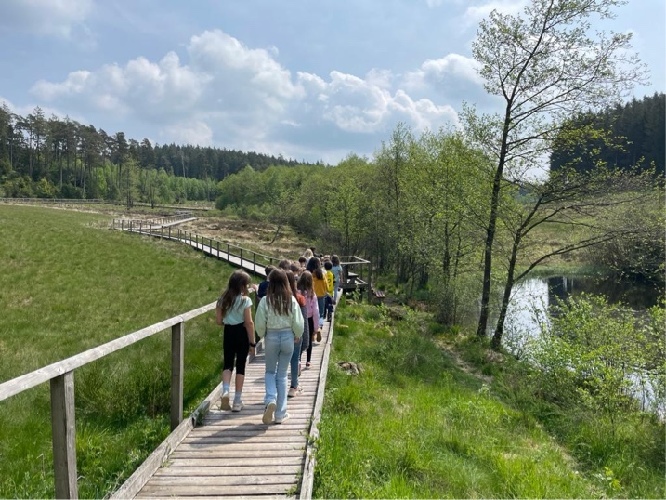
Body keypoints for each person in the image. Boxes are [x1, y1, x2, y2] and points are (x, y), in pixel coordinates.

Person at [255, 269, 304, 425]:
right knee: (282, 375)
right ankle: (280, 414)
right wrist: (297, 334)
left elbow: (260, 323)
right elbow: (298, 321)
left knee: (270, 371)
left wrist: (262, 334)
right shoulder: (291, 300)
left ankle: (270, 399)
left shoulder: (265, 301)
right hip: (288, 337)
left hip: (272, 338)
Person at [215, 270, 256, 412]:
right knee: (240, 365)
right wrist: (252, 343)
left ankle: (225, 391)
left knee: (227, 363)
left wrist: (228, 320)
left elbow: (219, 321)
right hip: (242, 333)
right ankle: (237, 400)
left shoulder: (222, 300)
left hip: (228, 332)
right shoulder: (245, 300)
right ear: (242, 285)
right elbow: (249, 323)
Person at [286, 270, 308, 398]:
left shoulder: (275, 299)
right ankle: (294, 386)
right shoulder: (299, 298)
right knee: (295, 360)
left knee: (280, 362)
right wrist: (304, 338)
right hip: (296, 334)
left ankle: (278, 387)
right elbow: (303, 320)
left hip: (279, 334)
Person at [297, 271, 319, 369]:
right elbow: (316, 312)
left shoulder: (297, 292)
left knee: (300, 339)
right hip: (309, 319)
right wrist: (316, 327)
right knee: (309, 339)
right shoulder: (312, 295)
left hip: (299, 317)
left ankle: (299, 359)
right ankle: (308, 360)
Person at [312, 264, 328, 342]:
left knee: (314, 313)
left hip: (313, 296)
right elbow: (327, 287)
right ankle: (320, 329)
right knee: (321, 314)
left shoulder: (312, 278)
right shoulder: (323, 277)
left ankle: (313, 331)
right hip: (321, 297)